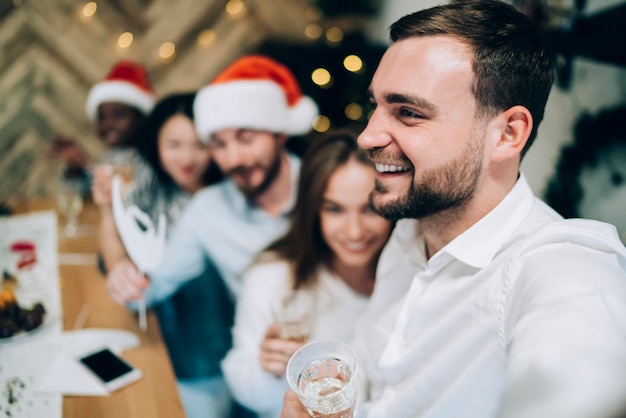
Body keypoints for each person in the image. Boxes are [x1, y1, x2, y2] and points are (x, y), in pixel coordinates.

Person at [281, 1, 626, 418]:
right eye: (376, 107)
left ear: (507, 134)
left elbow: (581, 370)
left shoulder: (557, 265)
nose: (367, 136)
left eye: (408, 112)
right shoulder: (408, 231)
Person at [105, 55, 318, 326]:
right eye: (218, 144)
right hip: (258, 355)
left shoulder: (327, 186)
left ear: (281, 134)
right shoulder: (208, 209)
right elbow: (149, 291)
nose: (233, 159)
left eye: (246, 139)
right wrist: (124, 279)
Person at [221, 132, 392, 418]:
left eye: (370, 209)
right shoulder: (273, 277)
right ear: (313, 210)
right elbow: (243, 386)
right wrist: (268, 370)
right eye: (335, 209)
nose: (354, 231)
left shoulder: (409, 271)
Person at [93, 93, 233, 418]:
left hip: (208, 361)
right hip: (156, 341)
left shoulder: (223, 202)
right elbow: (121, 265)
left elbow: (138, 283)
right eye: (174, 144)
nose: (187, 157)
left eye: (200, 144)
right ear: (155, 143)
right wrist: (106, 211)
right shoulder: (153, 186)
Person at [48, 60, 155, 194]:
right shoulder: (110, 157)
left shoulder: (155, 157)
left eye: (119, 114)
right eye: (101, 117)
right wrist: (77, 167)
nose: (107, 124)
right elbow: (82, 196)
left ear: (141, 118)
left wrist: (88, 167)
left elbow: (132, 197)